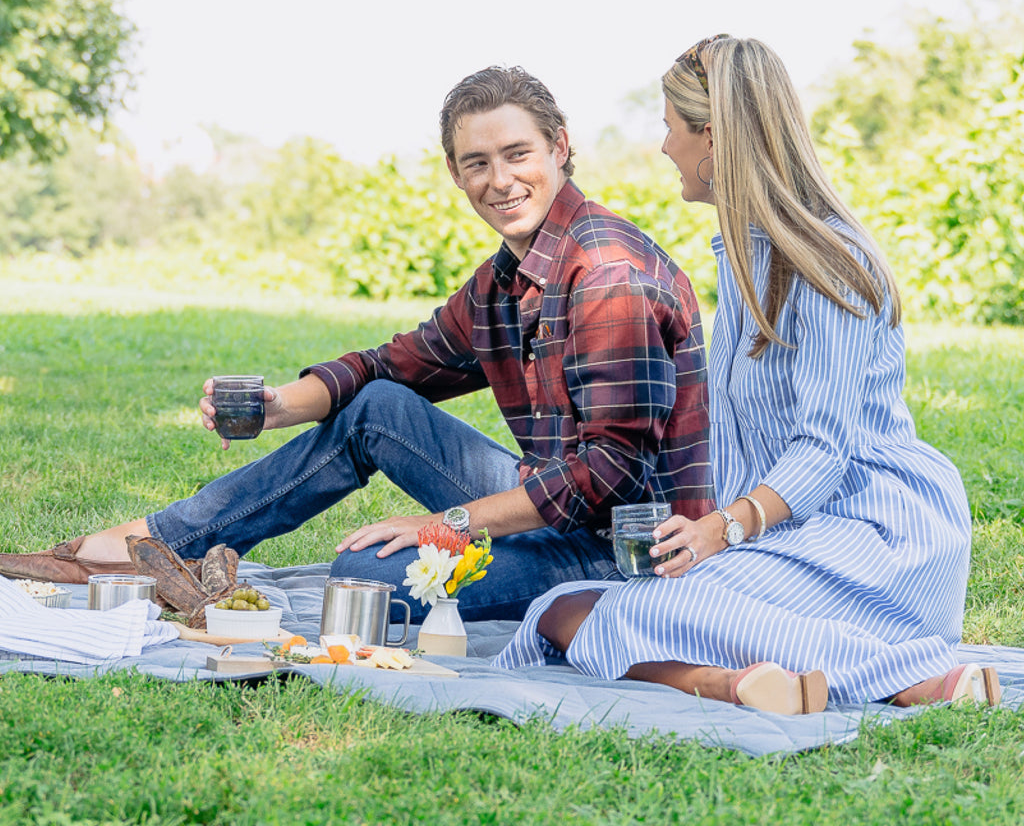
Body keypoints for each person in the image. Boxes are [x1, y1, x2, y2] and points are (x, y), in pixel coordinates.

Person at [0, 66, 712, 622]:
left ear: (559, 146)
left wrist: (447, 525)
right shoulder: (507, 279)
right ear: (455, 172)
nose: (499, 181)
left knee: (366, 577)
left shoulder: (607, 275)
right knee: (377, 406)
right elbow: (390, 366)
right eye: (475, 162)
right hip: (545, 507)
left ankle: (144, 552)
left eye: (517, 153)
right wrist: (280, 406)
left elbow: (612, 474)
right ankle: (154, 544)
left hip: (623, 550)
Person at [493, 36, 1000, 712]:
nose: (664, 146)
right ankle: (738, 685)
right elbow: (743, 439)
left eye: (671, 127)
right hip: (795, 535)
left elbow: (824, 450)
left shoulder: (828, 262)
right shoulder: (742, 260)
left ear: (713, 138)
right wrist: (697, 524)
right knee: (569, 606)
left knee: (629, 613)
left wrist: (722, 530)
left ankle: (913, 680)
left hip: (879, 541)